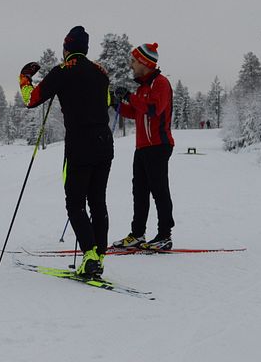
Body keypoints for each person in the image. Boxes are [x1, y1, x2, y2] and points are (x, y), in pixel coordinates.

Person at [19, 26, 114, 277]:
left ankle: (90, 255)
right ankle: (99, 256)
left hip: (80, 142)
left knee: (75, 202)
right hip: (104, 141)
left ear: (67, 48)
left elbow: (31, 99)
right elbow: (106, 103)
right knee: (97, 201)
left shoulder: (63, 71)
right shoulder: (100, 72)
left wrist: (24, 78)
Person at [112, 42, 175, 251]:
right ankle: (137, 234)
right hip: (142, 147)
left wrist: (129, 97)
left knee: (159, 190)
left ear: (144, 63)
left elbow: (153, 109)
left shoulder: (161, 83)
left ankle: (165, 235)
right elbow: (135, 113)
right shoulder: (142, 87)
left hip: (158, 145)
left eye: (133, 61)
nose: (130, 65)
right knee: (139, 191)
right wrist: (116, 104)